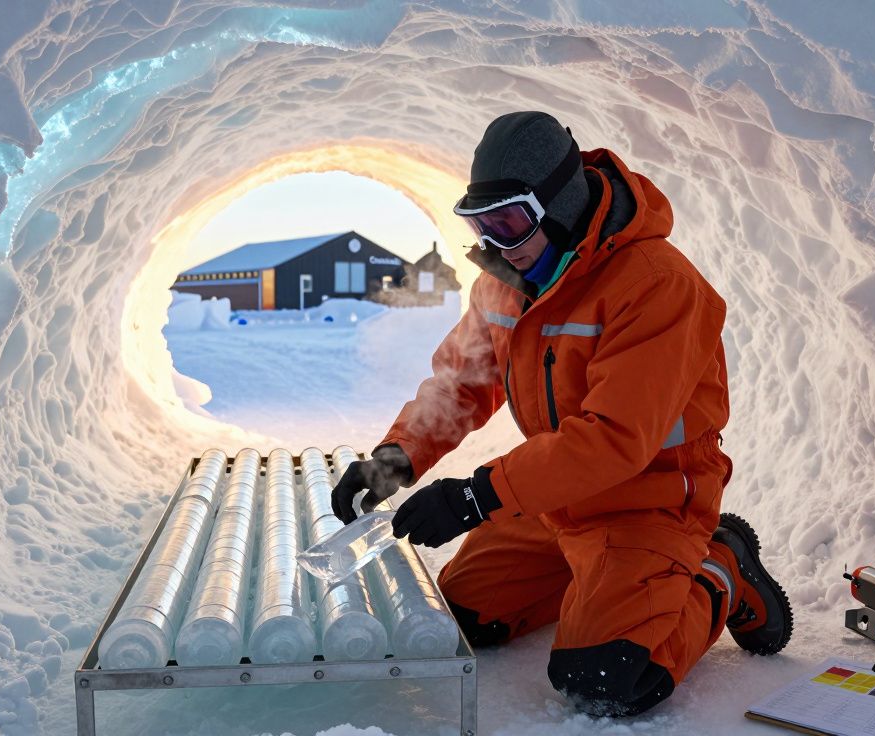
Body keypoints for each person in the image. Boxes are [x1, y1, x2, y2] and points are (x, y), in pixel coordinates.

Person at [330, 111, 793, 717]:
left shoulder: (656, 285)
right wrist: (394, 461)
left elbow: (613, 440)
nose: (494, 242)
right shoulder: (505, 280)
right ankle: (598, 581)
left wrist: (475, 498)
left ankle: (717, 568)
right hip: (555, 498)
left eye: (509, 221)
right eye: (480, 223)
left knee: (603, 677)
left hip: (646, 499)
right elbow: (462, 383)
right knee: (458, 618)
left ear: (560, 204)